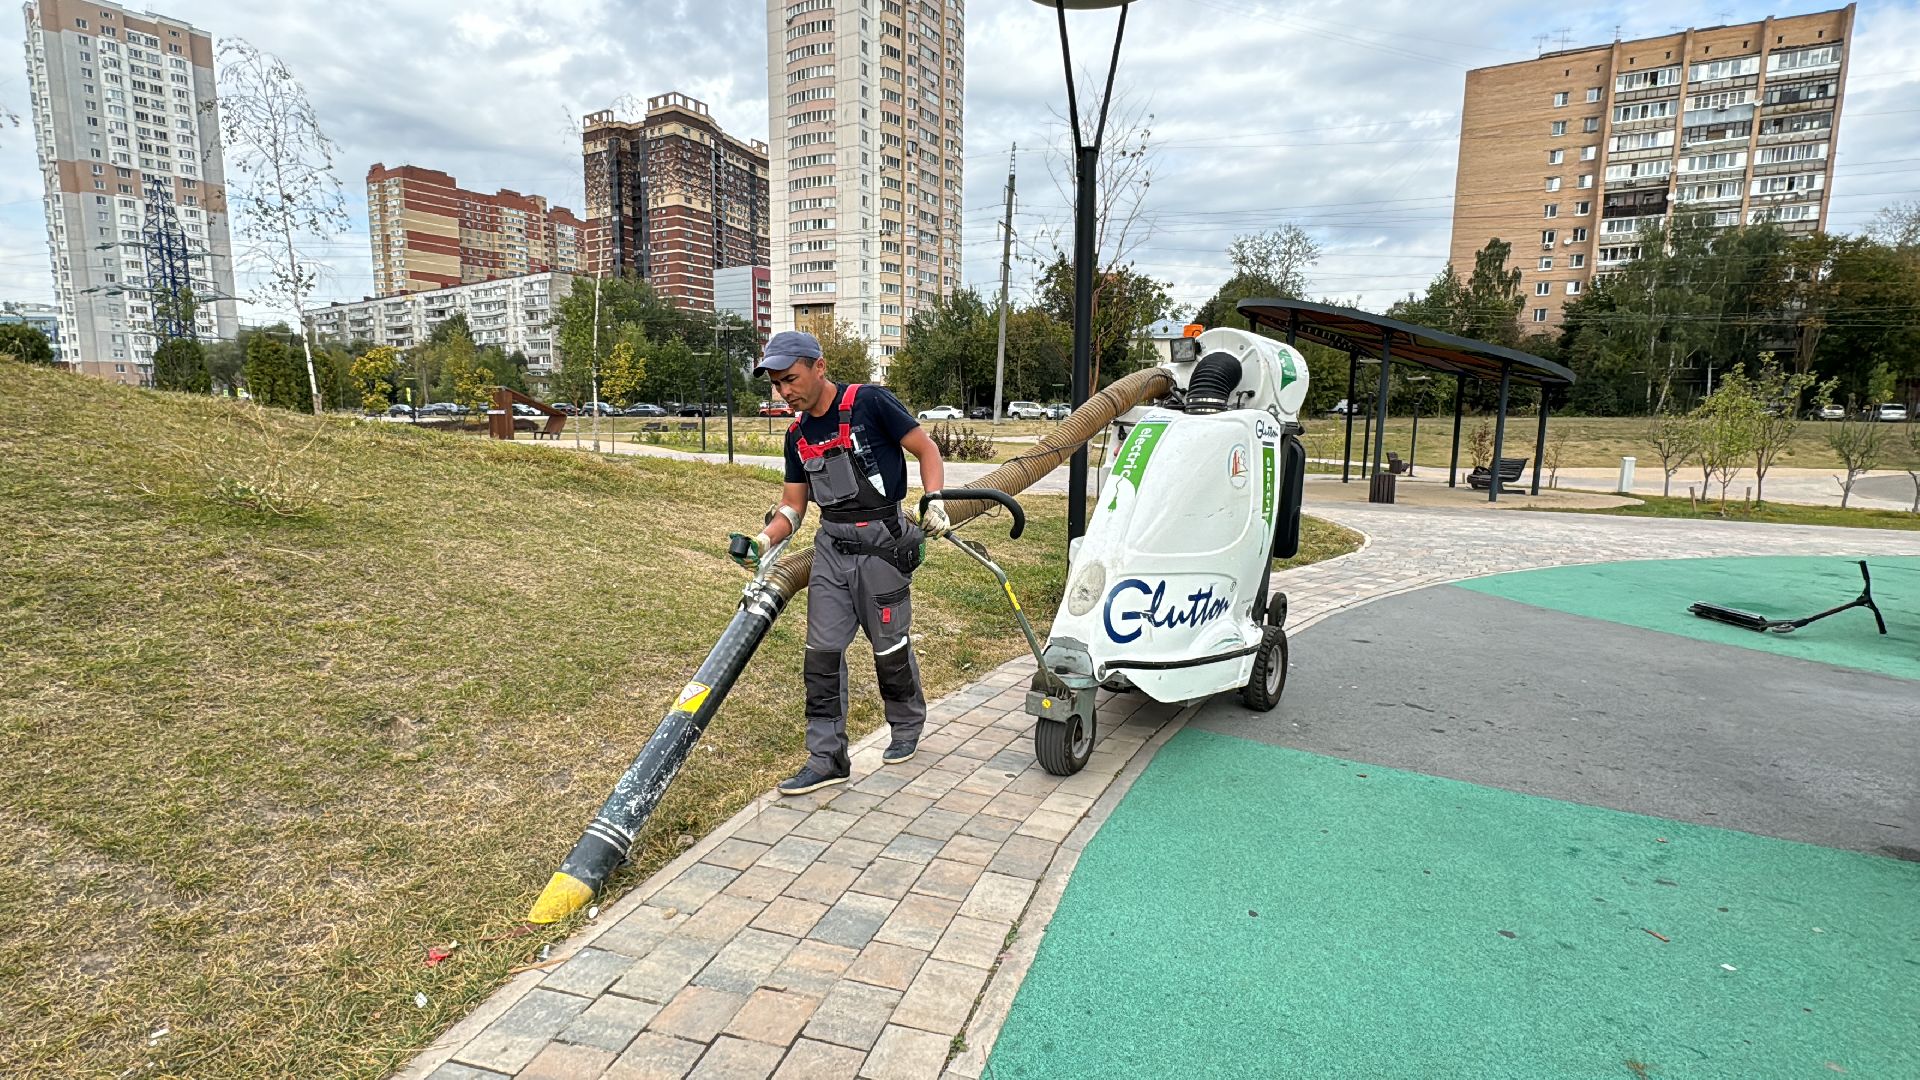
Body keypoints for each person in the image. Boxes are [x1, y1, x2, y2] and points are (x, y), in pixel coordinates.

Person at [730, 330, 951, 796]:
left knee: (889, 647)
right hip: (831, 549)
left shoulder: (870, 403)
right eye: (776, 384)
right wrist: (762, 539)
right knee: (821, 656)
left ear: (819, 367)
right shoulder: (796, 434)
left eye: (790, 379)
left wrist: (934, 501)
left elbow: (925, 449)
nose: (784, 391)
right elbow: (793, 505)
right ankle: (827, 757)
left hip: (882, 544)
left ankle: (907, 725)